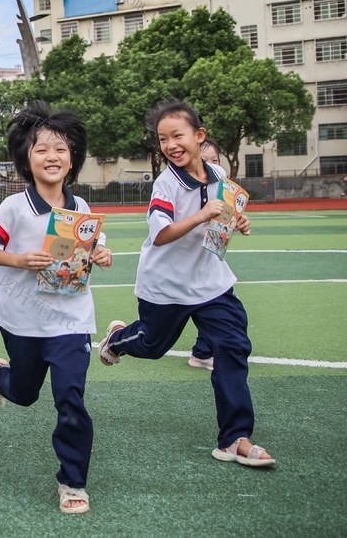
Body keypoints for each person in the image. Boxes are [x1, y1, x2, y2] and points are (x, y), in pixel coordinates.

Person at [98, 99, 275, 468]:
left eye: (177, 135)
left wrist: (237, 222)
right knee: (151, 345)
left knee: (232, 347)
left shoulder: (217, 173)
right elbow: (161, 234)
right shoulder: (166, 184)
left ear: (199, 135)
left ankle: (234, 438)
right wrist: (200, 215)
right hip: (167, 287)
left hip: (212, 283)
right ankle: (118, 339)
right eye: (163, 139)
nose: (170, 145)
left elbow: (223, 215)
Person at [0, 102, 112, 514]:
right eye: (41, 150)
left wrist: (100, 253)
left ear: (73, 159)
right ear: (26, 159)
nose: (52, 156)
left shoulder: (81, 208)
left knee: (70, 395)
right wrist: (20, 259)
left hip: (71, 318)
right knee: (28, 393)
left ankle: (72, 481)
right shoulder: (14, 207)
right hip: (23, 319)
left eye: (61, 149)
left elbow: (87, 246)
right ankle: (1, 377)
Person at [188, 137, 224, 370]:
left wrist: (239, 221)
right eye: (206, 159)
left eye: (215, 160)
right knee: (153, 340)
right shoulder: (180, 185)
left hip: (209, 262)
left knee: (214, 306)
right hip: (185, 265)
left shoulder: (219, 185)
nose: (212, 164)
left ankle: (202, 351)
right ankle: (119, 340)